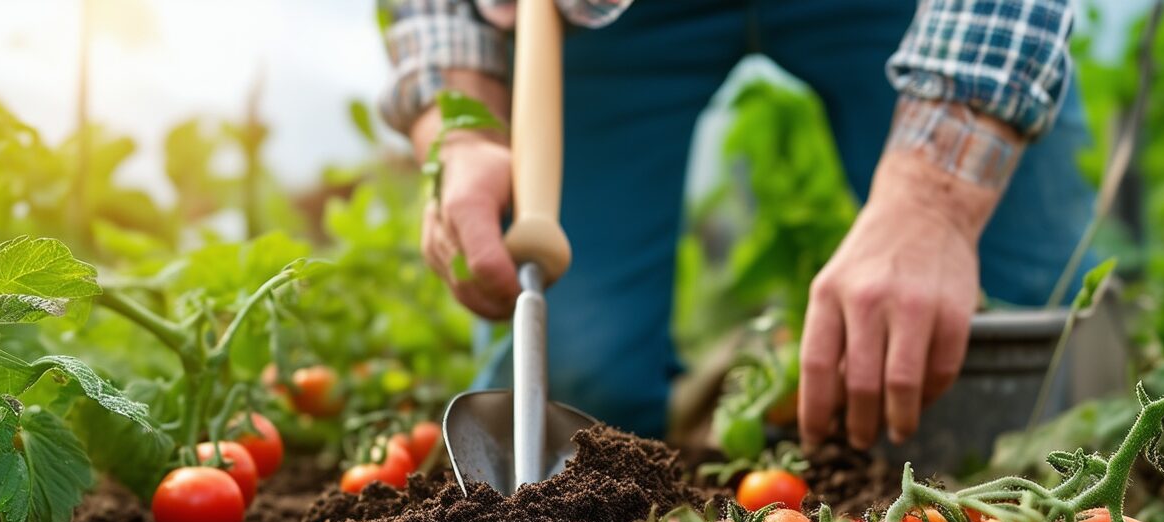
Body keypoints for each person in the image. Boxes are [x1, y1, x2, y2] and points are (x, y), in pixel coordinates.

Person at [376, 0, 1095, 449]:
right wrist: (462, 127)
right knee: (583, 391)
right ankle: (714, 402)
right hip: (611, 17)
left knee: (1029, 352)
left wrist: (934, 199)